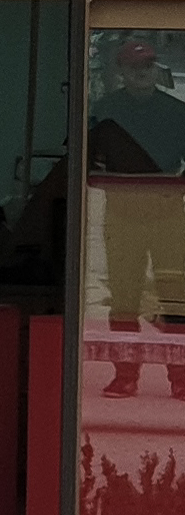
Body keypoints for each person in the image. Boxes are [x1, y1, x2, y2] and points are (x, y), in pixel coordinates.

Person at [88, 39, 185, 399]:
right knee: (124, 297)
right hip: (123, 213)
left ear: (154, 69)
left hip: (168, 212)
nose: (142, 73)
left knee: (176, 296)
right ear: (122, 71)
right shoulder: (105, 110)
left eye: (147, 66)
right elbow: (86, 162)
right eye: (135, 67)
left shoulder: (176, 112)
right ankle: (125, 374)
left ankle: (181, 376)